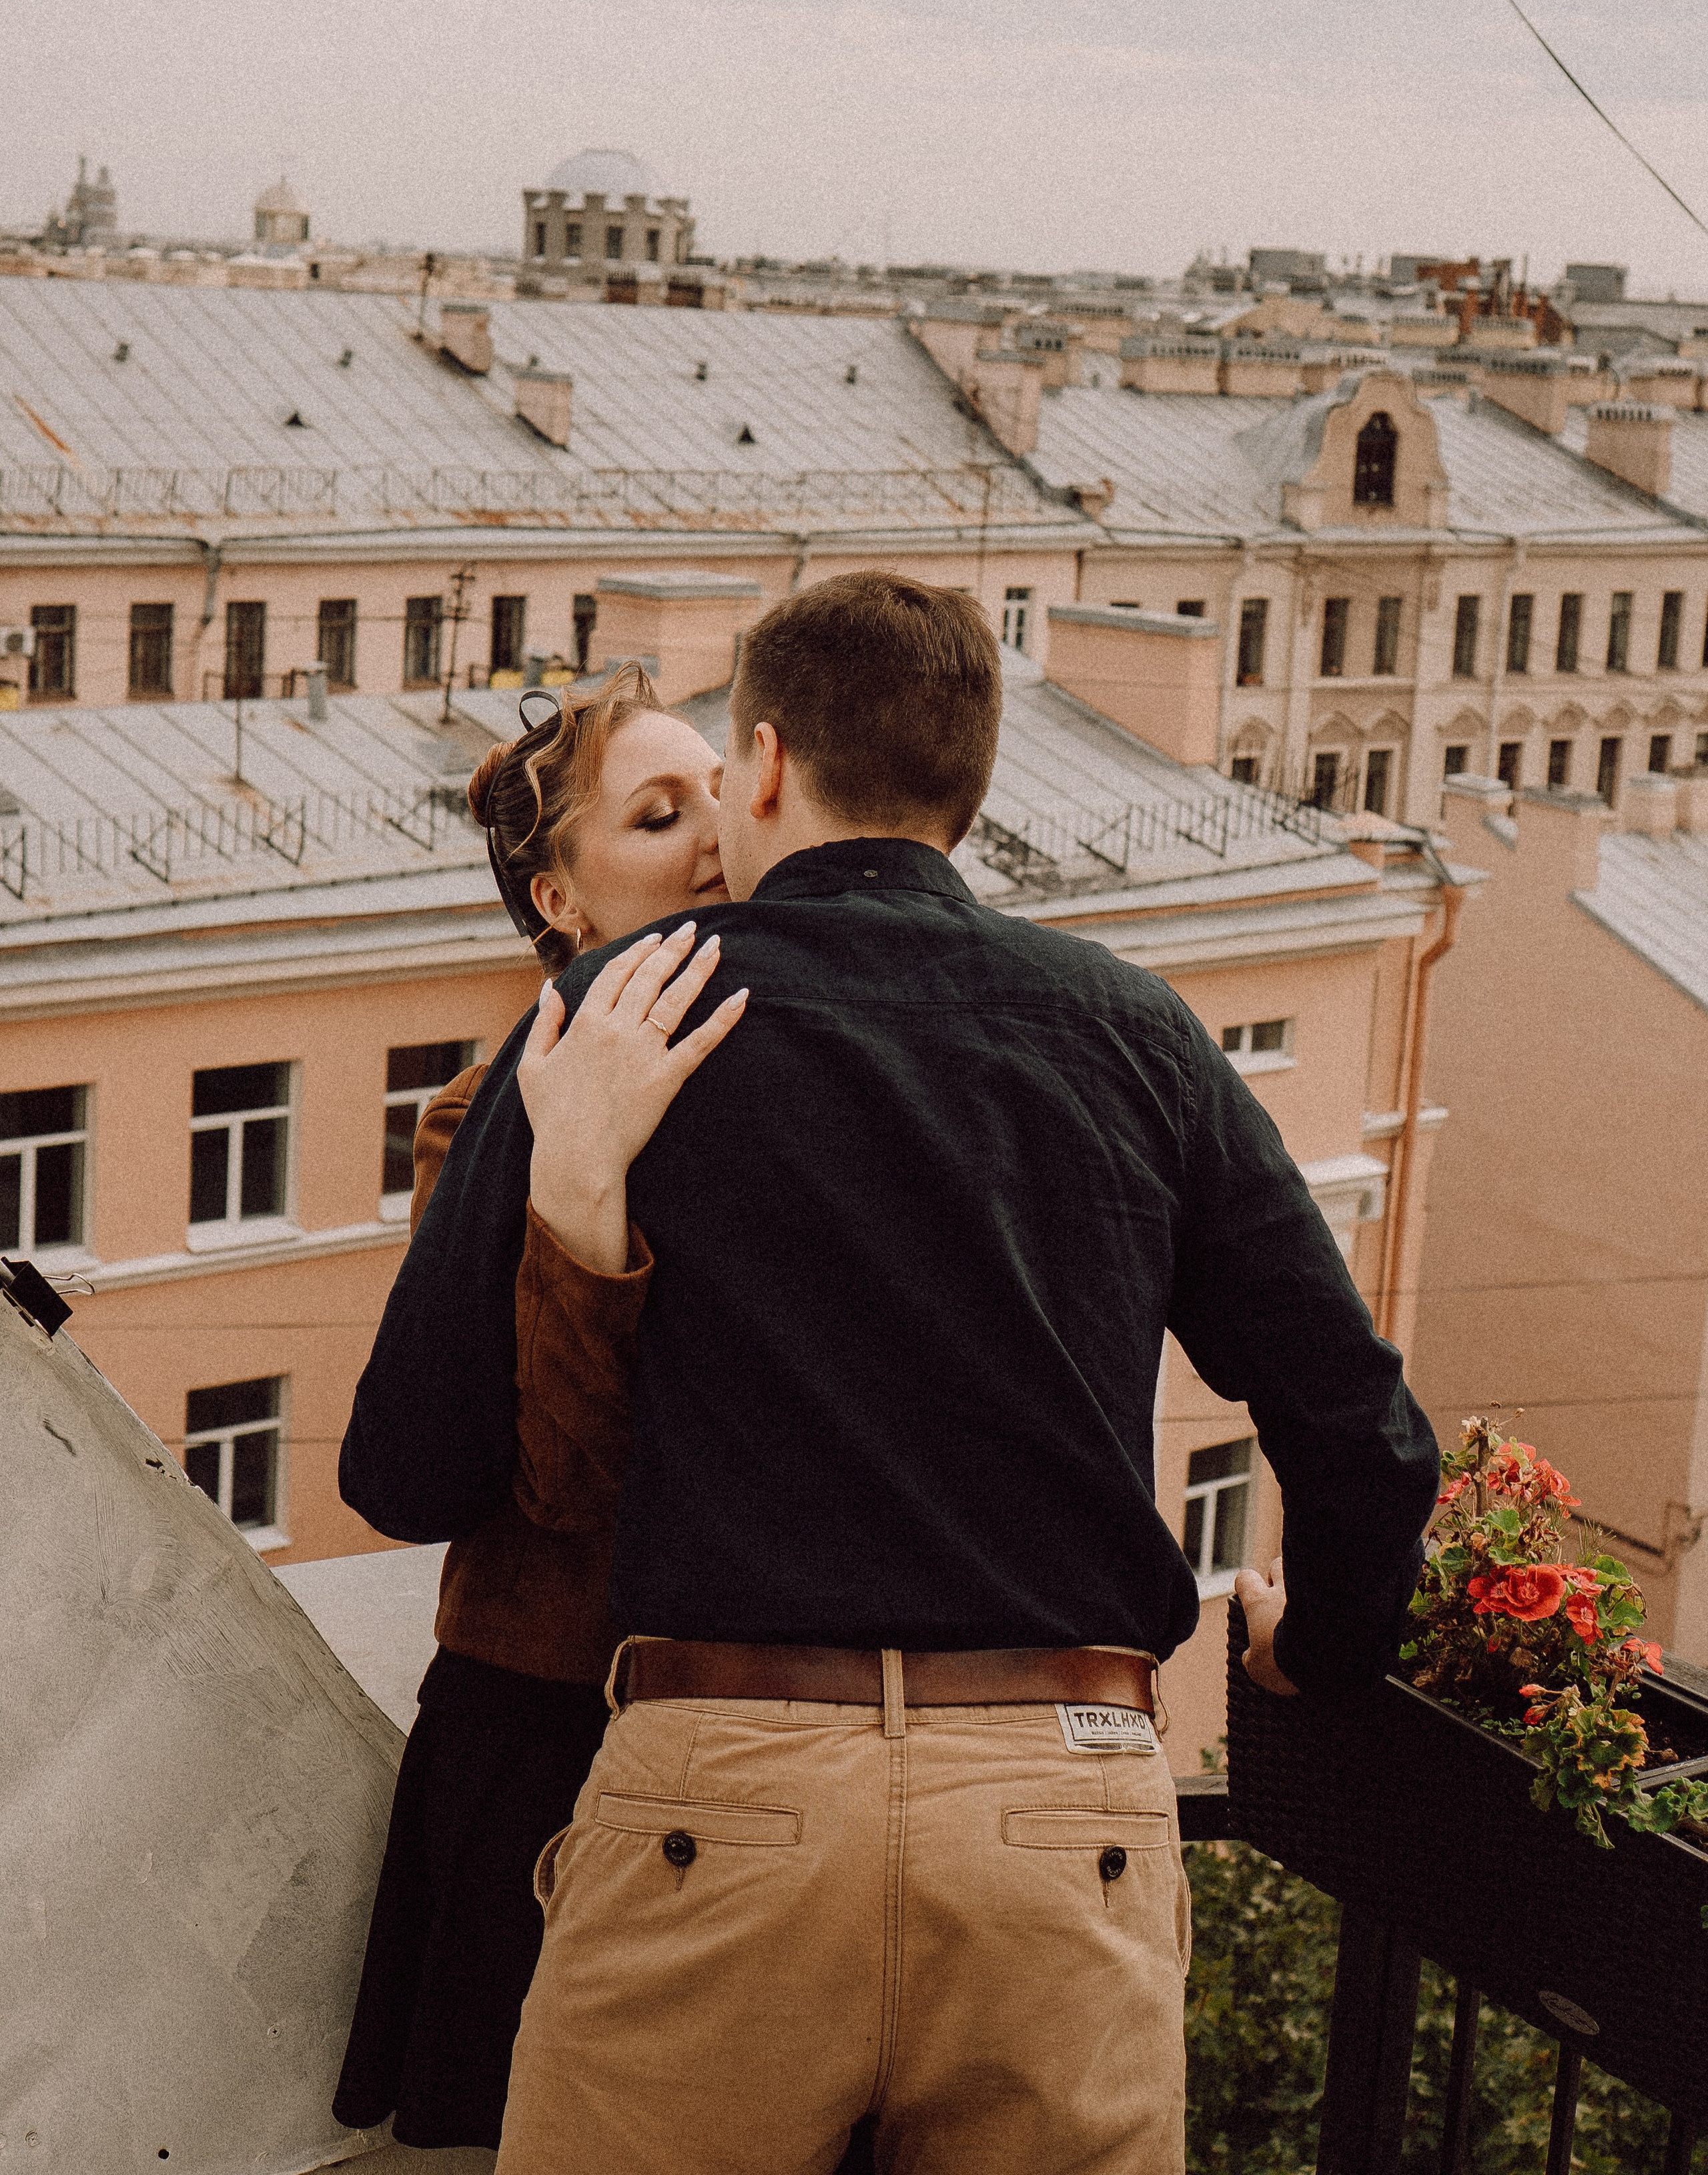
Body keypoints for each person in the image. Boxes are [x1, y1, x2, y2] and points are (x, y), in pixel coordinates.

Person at [347, 572, 1440, 2175]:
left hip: (721, 1800)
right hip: (1059, 1809)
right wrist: (1320, 1652)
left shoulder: (602, 1022)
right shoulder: (1135, 1032)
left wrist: (574, 1208)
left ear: (766, 764)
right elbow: (1360, 1432)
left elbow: (405, 1472)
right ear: (969, 787)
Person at [333, 664, 742, 2152]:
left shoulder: (786, 1058)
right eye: (658, 814)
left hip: (744, 1725)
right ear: (558, 902)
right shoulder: (490, 1109)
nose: (717, 830)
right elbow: (537, 1471)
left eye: (720, 789)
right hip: (552, 1715)